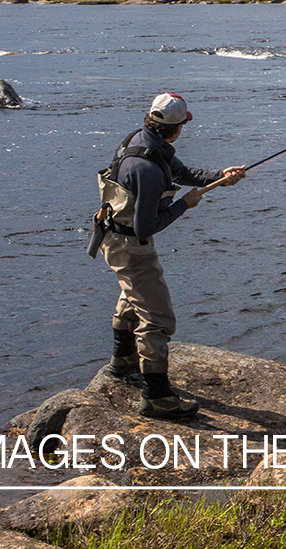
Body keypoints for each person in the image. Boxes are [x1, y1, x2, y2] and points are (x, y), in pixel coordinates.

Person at [96, 92, 245, 419]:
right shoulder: (147, 169)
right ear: (176, 128)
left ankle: (122, 362)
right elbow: (146, 227)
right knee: (158, 318)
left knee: (133, 292)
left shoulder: (142, 140)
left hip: (115, 238)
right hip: (131, 245)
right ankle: (157, 397)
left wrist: (222, 176)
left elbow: (182, 172)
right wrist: (184, 205)